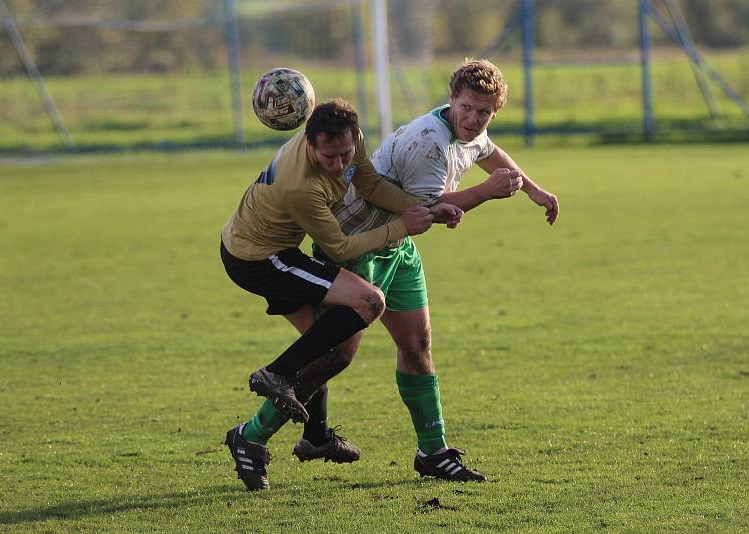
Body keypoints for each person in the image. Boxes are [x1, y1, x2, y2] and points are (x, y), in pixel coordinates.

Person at [287, 59, 559, 482]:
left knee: (417, 345)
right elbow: (427, 210)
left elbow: (489, 151)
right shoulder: (430, 141)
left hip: (398, 247)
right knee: (335, 354)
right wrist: (486, 193)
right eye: (467, 108)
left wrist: (535, 191)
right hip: (357, 246)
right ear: (452, 99)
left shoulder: (470, 129)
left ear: (493, 112)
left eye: (484, 112)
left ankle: (433, 453)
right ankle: (251, 433)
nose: (473, 119)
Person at [221, 98, 463, 491]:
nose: (338, 165)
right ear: (310, 144)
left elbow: (368, 182)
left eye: (345, 154)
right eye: (329, 157)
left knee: (329, 347)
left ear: (354, 138)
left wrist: (426, 209)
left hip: (270, 250)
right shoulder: (300, 186)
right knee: (369, 303)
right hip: (259, 259)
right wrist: (402, 226)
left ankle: (304, 436)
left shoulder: (350, 138)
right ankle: (275, 377)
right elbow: (340, 249)